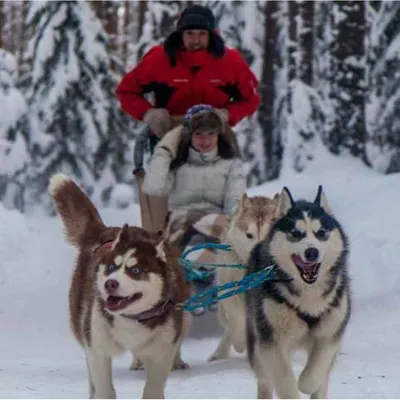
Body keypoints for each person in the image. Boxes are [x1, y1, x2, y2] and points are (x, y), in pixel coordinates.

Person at [142, 104, 246, 316]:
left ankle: (205, 282)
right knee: (184, 235)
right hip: (182, 218)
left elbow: (235, 200)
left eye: (211, 134)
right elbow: (152, 187)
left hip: (217, 218)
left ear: (218, 134)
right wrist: (164, 150)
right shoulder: (176, 163)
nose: (205, 140)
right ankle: (202, 284)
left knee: (217, 229)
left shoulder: (231, 164)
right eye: (199, 134)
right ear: (189, 135)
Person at [116, 4, 260, 152]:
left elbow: (251, 98)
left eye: (202, 33)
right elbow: (126, 91)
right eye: (190, 33)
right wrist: (149, 114)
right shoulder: (159, 60)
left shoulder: (231, 62)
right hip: (168, 137)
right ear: (180, 35)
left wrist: (227, 114)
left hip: (214, 138)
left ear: (212, 35)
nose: (196, 40)